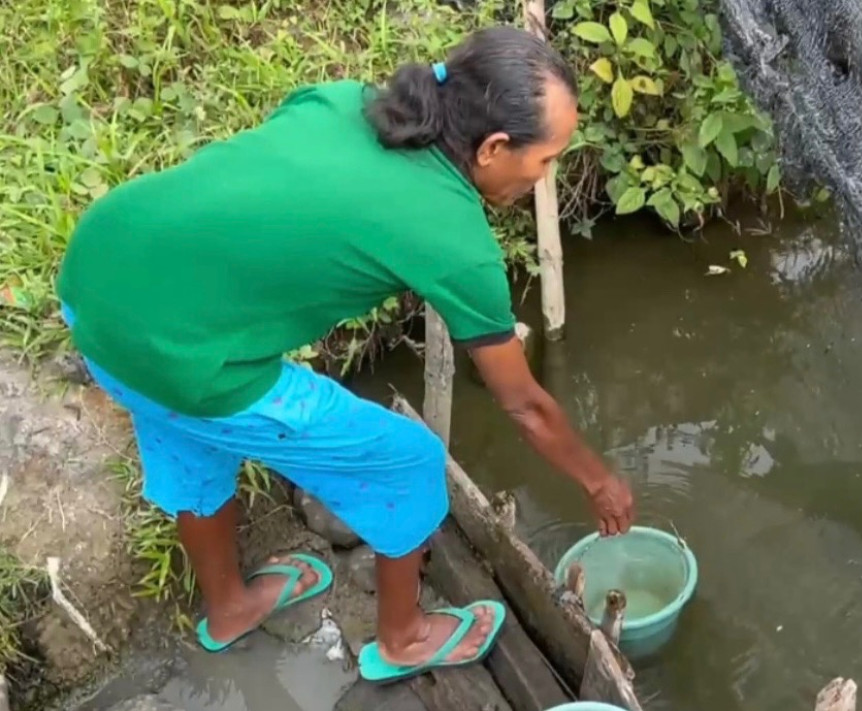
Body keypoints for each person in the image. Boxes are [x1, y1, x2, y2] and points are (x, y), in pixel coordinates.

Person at [54, 26, 635, 683]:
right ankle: (404, 637)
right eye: (546, 160)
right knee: (407, 461)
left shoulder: (342, 101)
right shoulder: (454, 238)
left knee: (192, 444)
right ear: (495, 147)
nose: (543, 177)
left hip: (95, 282)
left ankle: (230, 608)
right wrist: (598, 479)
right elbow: (524, 405)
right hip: (182, 355)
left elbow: (272, 194)